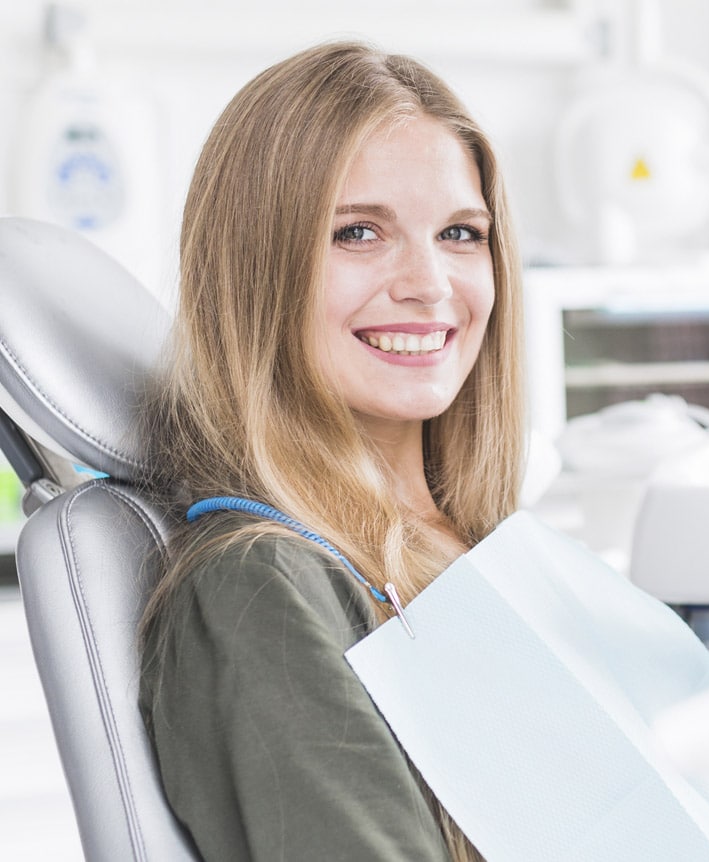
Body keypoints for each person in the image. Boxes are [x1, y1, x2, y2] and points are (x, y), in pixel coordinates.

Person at [139, 40, 524, 862]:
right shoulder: (259, 588)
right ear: (256, 270)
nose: (429, 282)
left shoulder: (479, 546)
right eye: (357, 232)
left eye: (461, 232)